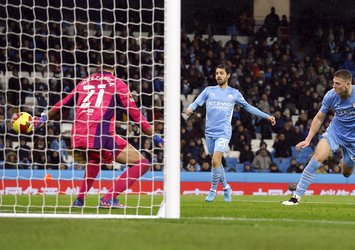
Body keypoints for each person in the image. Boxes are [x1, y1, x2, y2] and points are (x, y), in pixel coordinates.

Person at [20, 52, 164, 208]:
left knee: (95, 159)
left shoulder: (84, 82)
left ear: (98, 66)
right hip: (100, 133)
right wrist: (154, 134)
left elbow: (61, 105)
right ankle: (109, 198)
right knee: (142, 163)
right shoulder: (118, 84)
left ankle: (79, 199)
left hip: (79, 134)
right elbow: (135, 115)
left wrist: (42, 119)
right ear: (115, 67)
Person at [185, 64, 275, 202]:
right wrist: (190, 108)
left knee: (215, 161)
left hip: (223, 132)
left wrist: (266, 116)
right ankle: (226, 188)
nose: (218, 76)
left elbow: (248, 107)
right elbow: (197, 102)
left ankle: (213, 191)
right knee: (217, 163)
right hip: (209, 133)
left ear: (228, 75)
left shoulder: (234, 93)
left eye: (221, 73)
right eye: (216, 73)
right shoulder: (209, 91)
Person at [282, 69, 355, 205]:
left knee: (346, 173)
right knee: (317, 158)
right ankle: (296, 197)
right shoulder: (330, 95)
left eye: (337, 84)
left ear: (348, 84)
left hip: (353, 141)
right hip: (335, 134)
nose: (334, 86)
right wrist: (308, 139)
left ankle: (345, 160)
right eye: (333, 83)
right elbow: (319, 117)